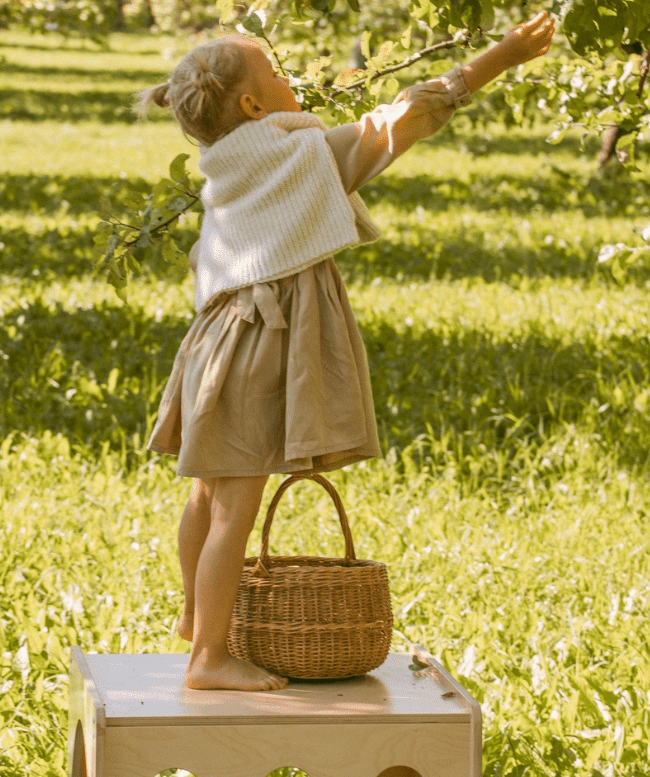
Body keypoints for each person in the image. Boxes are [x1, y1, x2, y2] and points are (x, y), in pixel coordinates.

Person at [141, 13, 556, 692]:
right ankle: (209, 658)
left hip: (213, 342)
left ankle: (196, 617)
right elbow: (407, 117)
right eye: (274, 72)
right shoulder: (304, 160)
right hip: (252, 341)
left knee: (207, 493)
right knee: (231, 508)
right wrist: (501, 56)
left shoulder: (231, 169)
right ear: (252, 104)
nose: (286, 77)